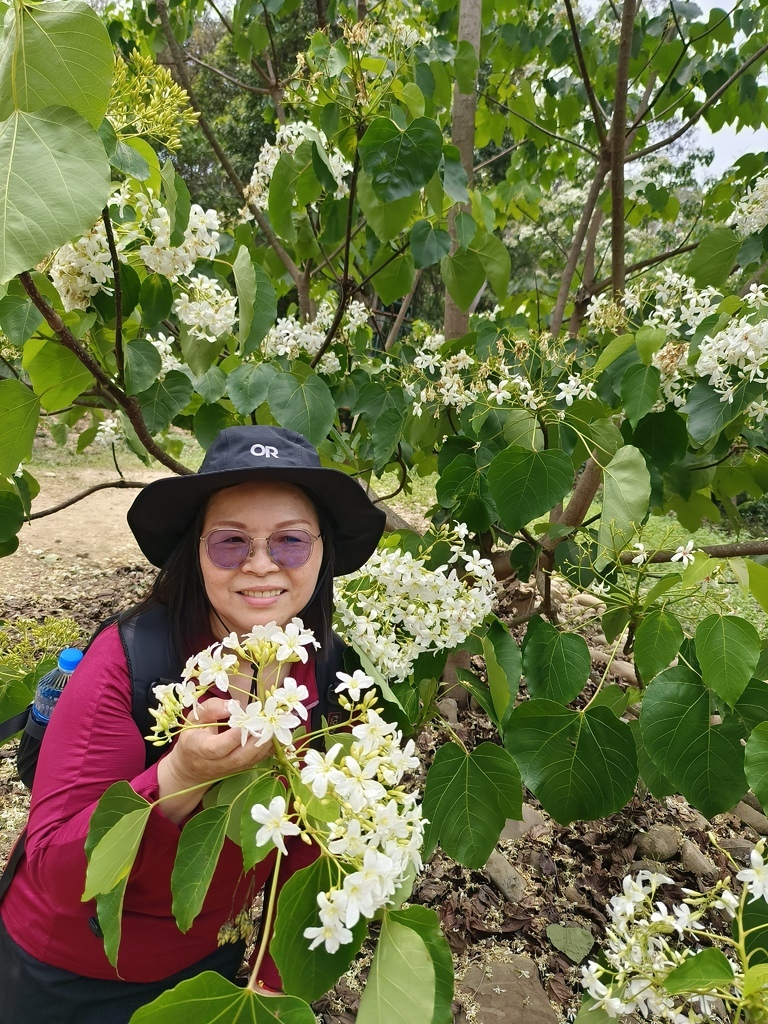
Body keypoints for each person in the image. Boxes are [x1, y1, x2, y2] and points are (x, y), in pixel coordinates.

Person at [0, 425, 385, 1024]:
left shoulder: (332, 670)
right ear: (196, 552)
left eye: (291, 542)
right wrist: (178, 774)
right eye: (231, 542)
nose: (261, 564)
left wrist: (272, 980)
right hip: (73, 971)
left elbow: (309, 845)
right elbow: (55, 870)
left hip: (209, 960)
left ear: (323, 553)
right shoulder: (129, 662)